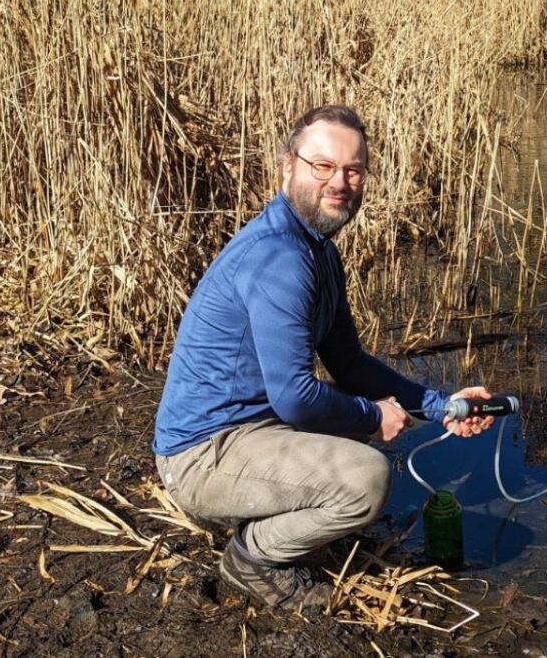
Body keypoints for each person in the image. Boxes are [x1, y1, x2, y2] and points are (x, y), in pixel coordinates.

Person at [153, 104, 494, 609]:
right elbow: (295, 398)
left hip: (252, 426)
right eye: (323, 166)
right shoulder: (280, 257)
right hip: (201, 456)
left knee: (363, 427)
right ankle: (252, 558)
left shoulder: (317, 251)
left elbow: (351, 365)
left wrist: (442, 406)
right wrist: (370, 417)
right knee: (367, 478)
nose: (340, 182)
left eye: (353, 170)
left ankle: (275, 511)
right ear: (287, 166)